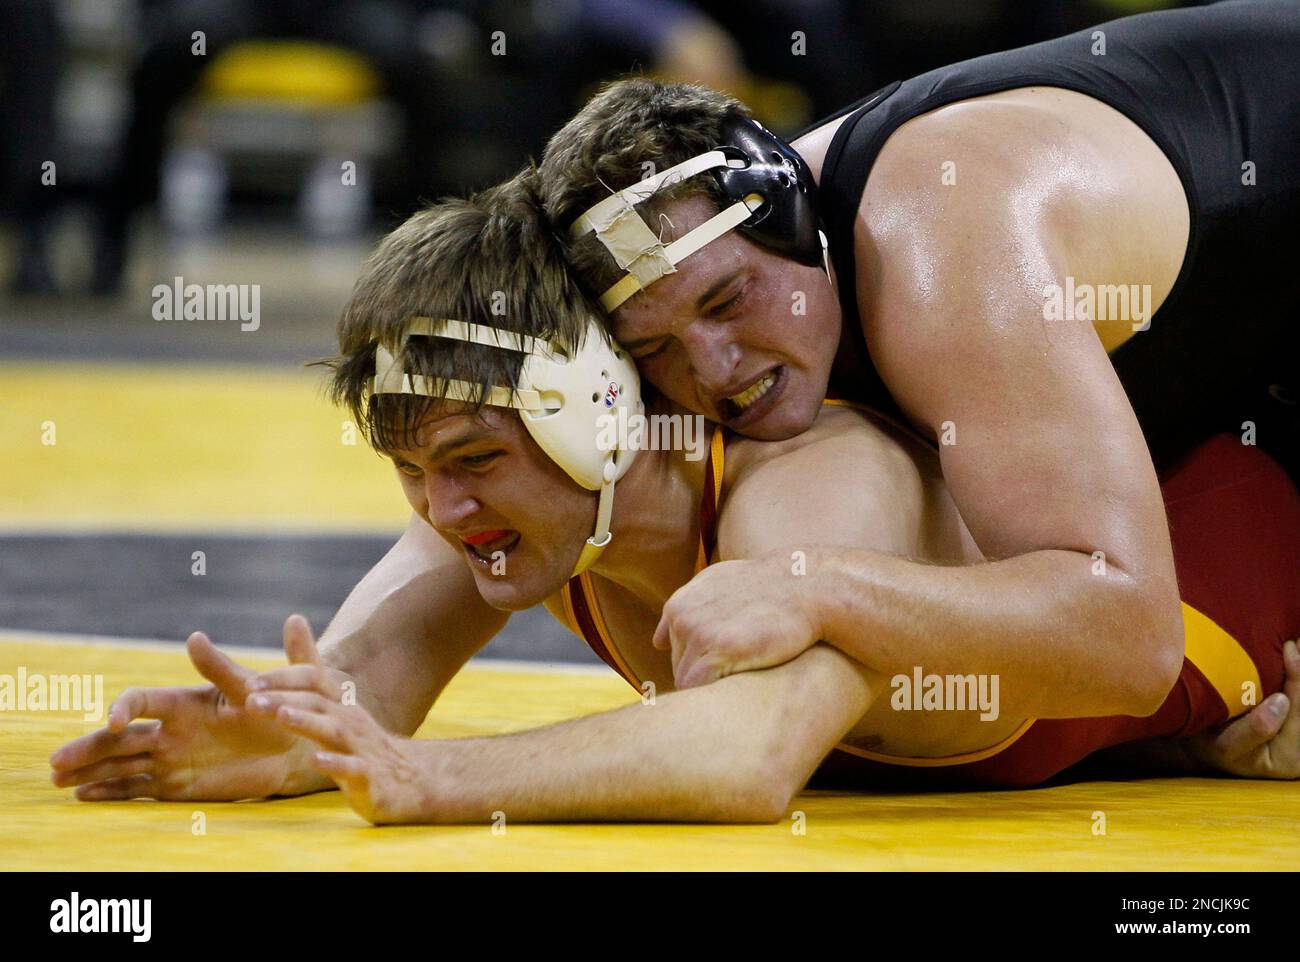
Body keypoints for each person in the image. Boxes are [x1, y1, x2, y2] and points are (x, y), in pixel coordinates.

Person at [49, 180, 1300, 823]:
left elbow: (747, 754)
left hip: (1261, 523)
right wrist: (282, 741)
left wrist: (431, 779)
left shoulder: (809, 484)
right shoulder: (526, 494)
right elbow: (364, 676)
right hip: (1125, 686)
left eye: (473, 459)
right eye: (409, 466)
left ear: (592, 407)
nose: (439, 508)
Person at [532, 0, 1300, 711]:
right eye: (655, 347)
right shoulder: (715, 248)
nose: (713, 369)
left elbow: (1132, 638)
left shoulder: (941, 246)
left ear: (797, 227)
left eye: (727, 302)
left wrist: (819, 591)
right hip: (1238, 315)